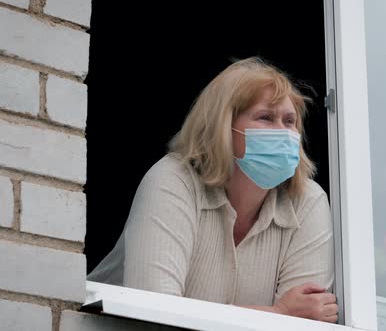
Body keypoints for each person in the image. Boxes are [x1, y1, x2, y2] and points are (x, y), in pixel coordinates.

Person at [88, 57, 337, 322]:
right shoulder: (173, 180)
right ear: (222, 127)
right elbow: (155, 315)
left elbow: (303, 326)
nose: (283, 132)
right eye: (266, 117)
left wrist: (283, 318)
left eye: (289, 122)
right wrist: (277, 314)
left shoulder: (308, 202)